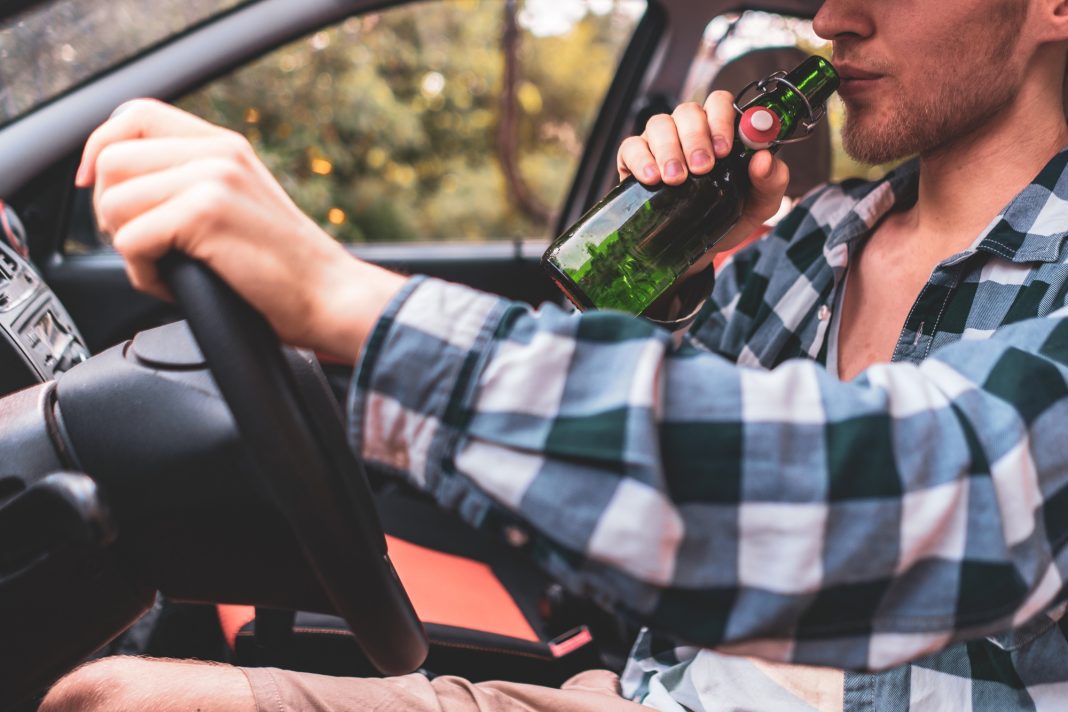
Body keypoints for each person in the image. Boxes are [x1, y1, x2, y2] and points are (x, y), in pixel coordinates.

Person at [39, 0, 1068, 710]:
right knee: (102, 696)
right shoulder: (814, 237)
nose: (835, 16)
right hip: (654, 691)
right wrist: (674, 249)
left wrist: (346, 300)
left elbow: (914, 497)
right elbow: (622, 465)